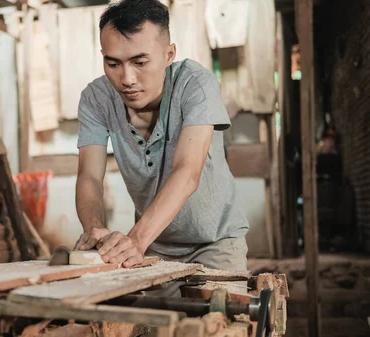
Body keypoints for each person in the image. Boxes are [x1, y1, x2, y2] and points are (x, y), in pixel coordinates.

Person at [73, 0, 250, 294]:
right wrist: (94, 229)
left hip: (215, 241)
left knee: (218, 321)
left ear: (169, 55)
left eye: (140, 62)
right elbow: (90, 177)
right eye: (113, 63)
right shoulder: (96, 98)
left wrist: (136, 241)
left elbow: (187, 172)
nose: (126, 79)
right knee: (146, 326)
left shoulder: (195, 84)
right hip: (153, 245)